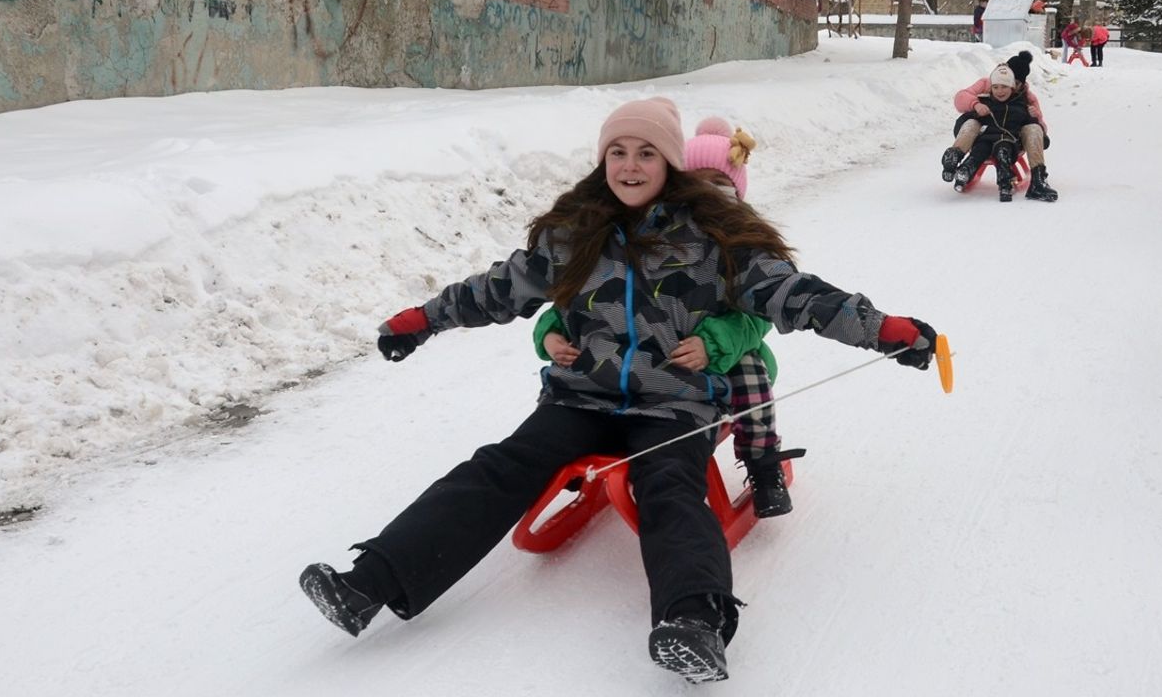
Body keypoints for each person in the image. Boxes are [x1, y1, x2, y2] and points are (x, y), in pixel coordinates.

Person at [297, 97, 939, 684]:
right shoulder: (574, 233)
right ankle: (369, 585)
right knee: (498, 468)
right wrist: (422, 320)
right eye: (618, 152)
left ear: (671, 164)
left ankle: (695, 622)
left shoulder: (717, 239)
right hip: (581, 397)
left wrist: (882, 330)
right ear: (603, 160)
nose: (630, 165)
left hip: (674, 404)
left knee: (667, 488)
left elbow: (796, 297)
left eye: (646, 153)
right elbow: (495, 290)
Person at [533, 116, 804, 518]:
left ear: (737, 193)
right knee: (581, 363)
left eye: (720, 184)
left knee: (749, 371)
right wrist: (551, 334)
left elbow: (759, 314)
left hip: (719, 359)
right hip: (652, 357)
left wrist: (712, 343)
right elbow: (584, 298)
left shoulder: (741, 241)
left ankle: (762, 462)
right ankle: (570, 445)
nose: (709, 194)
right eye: (697, 183)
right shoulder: (650, 235)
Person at [941, 51, 1059, 202]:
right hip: (981, 135)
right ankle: (955, 156)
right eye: (999, 85)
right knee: (972, 122)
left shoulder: (1027, 98)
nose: (1003, 89)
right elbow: (960, 98)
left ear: (1021, 84)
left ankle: (1038, 181)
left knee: (1034, 128)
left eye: (1014, 83)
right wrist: (976, 104)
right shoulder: (987, 84)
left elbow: (1041, 129)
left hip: (1012, 138)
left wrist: (1036, 117)